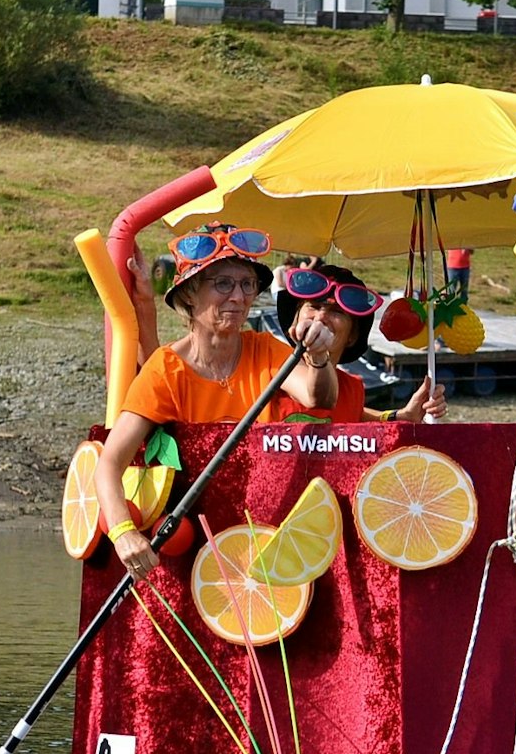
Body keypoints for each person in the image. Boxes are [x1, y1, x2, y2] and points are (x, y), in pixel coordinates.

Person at [96, 223, 339, 582]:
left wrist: (318, 356)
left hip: (264, 545)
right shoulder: (165, 369)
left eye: (247, 284)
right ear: (189, 295)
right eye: (223, 284)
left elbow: (319, 396)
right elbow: (108, 463)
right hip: (191, 555)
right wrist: (123, 532)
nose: (239, 297)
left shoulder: (265, 349)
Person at [275, 262, 446, 424]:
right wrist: (317, 356)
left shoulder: (352, 389)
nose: (321, 317)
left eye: (337, 312)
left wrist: (403, 416)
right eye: (314, 306)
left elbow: (355, 414)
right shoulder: (272, 357)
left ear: (352, 335)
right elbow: (317, 398)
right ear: (296, 318)